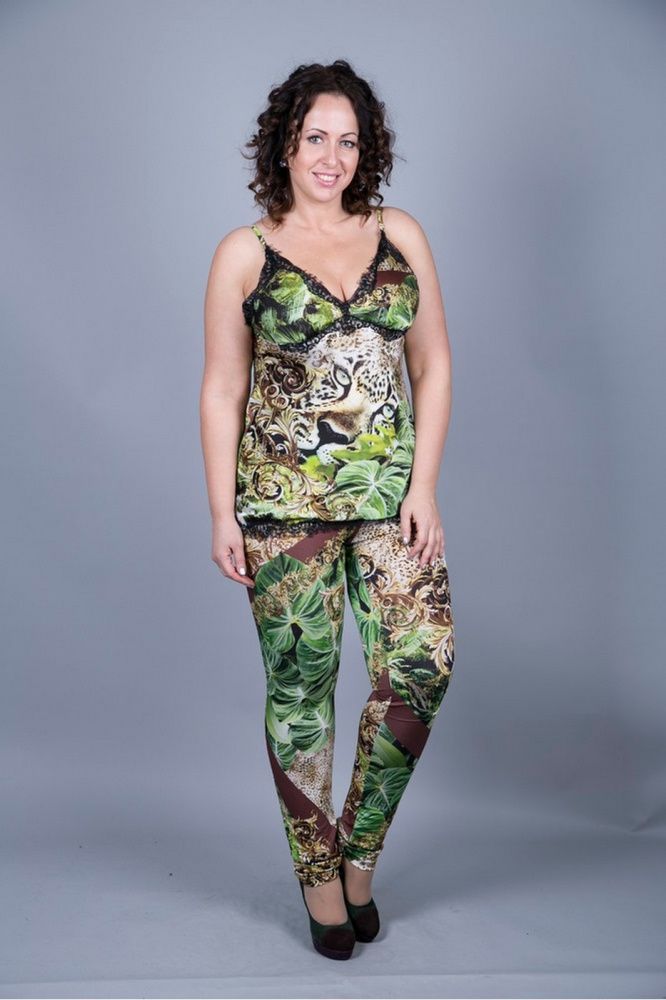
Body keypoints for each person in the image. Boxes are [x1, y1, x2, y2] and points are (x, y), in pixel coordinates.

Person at [200, 59, 456, 960]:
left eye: (348, 141)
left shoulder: (399, 233)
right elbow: (223, 389)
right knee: (303, 695)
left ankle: (359, 858)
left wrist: (424, 485)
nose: (331, 157)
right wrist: (222, 512)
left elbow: (432, 364)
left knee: (422, 667)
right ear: (285, 143)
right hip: (281, 514)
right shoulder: (244, 252)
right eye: (316, 137)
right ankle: (318, 877)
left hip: (391, 504)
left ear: (365, 151)